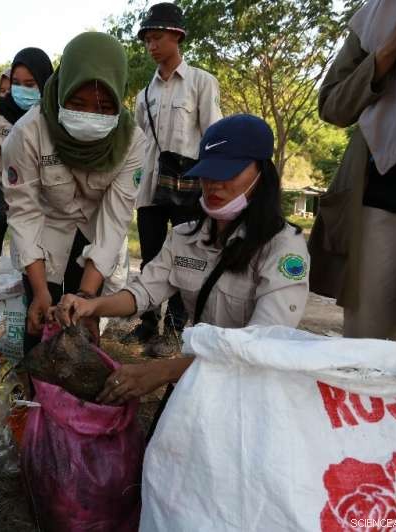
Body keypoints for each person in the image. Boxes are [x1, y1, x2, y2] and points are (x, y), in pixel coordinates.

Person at [53, 115, 309, 407]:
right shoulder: (186, 237)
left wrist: (163, 371)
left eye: (228, 174)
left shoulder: (283, 248)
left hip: (248, 393)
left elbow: (261, 348)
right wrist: (91, 305)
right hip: (197, 380)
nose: (213, 185)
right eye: (208, 174)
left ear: (261, 174)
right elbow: (144, 292)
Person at [309, 0, 396, 361]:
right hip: (376, 200)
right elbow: (333, 106)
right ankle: (368, 419)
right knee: (364, 354)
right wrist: (393, 45)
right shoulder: (374, 17)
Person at [1, 32, 148, 354]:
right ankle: (35, 397)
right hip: (44, 234)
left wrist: (88, 298)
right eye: (77, 104)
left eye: (104, 107)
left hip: (95, 235)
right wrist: (40, 291)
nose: (90, 116)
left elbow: (114, 221)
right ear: (61, 89)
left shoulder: (132, 142)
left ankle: (76, 404)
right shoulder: (27, 133)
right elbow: (24, 214)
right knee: (40, 327)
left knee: (81, 332)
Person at [124, 2, 223, 357]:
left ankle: (176, 328)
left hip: (188, 187)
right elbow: (138, 141)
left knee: (186, 257)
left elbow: (212, 135)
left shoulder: (201, 82)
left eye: (157, 37)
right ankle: (148, 322)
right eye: (147, 39)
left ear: (177, 36)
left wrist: (213, 187)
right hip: (150, 186)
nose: (151, 45)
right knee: (151, 257)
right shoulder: (144, 95)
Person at [0, 47, 53, 263]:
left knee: (35, 262)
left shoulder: (52, 117)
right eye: (16, 83)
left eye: (30, 84)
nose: (20, 90)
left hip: (37, 202)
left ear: (45, 83)